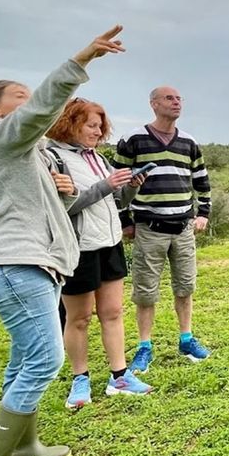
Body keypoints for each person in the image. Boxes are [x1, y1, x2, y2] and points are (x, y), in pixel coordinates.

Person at [0, 25, 125, 456]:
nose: (29, 102)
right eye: (19, 96)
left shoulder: (18, 153)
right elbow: (41, 110)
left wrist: (58, 188)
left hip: (27, 263)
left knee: (23, 359)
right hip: (14, 263)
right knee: (43, 362)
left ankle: (23, 446)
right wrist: (82, 60)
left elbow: (33, 204)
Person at [46, 99, 154, 409]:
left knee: (113, 313)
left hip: (109, 243)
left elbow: (117, 201)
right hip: (78, 249)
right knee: (79, 318)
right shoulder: (54, 159)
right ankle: (80, 379)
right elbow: (66, 206)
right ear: (70, 123)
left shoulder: (98, 159)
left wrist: (131, 187)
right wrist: (106, 185)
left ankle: (119, 376)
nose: (97, 131)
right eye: (90, 125)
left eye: (99, 126)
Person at [113, 86, 212, 373]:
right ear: (153, 104)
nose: (177, 102)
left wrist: (203, 213)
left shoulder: (189, 142)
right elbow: (117, 183)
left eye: (180, 98)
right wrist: (125, 221)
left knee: (185, 286)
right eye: (169, 98)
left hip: (183, 227)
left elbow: (201, 181)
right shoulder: (134, 140)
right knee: (145, 291)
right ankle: (145, 347)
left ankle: (186, 338)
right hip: (149, 227)